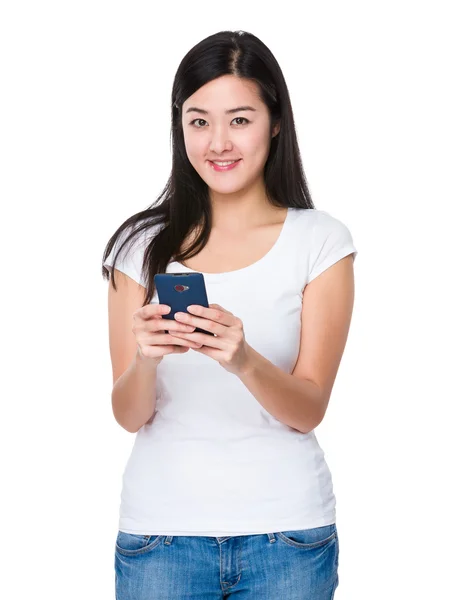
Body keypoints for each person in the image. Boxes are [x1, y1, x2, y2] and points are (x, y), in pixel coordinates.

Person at [102, 29, 357, 600]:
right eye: (199, 121)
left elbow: (309, 408)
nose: (219, 142)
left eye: (240, 119)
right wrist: (146, 359)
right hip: (160, 538)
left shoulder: (320, 242)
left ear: (275, 122)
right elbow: (127, 414)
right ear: (180, 126)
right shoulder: (140, 246)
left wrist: (243, 360)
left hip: (287, 536)